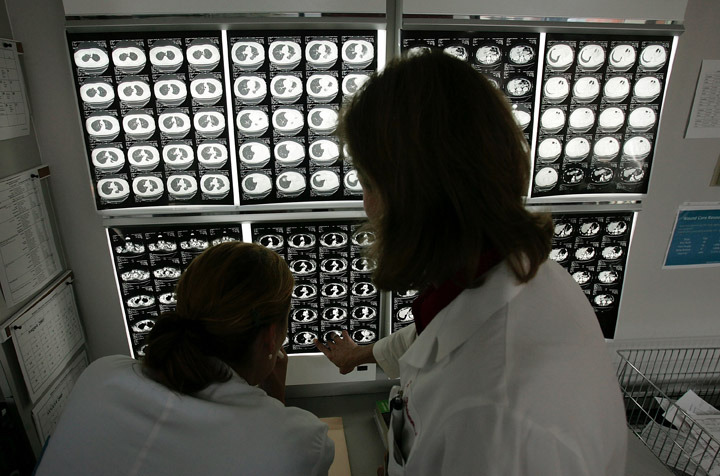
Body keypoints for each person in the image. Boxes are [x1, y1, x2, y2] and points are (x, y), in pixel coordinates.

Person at [316, 50, 627, 475]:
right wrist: (361, 353)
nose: (367, 208)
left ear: (418, 197)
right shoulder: (525, 277)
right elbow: (434, 336)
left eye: (369, 183)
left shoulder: (495, 421)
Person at [36, 242, 334, 476]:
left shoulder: (100, 375)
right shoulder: (305, 442)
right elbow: (278, 446)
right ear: (271, 336)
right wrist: (276, 398)